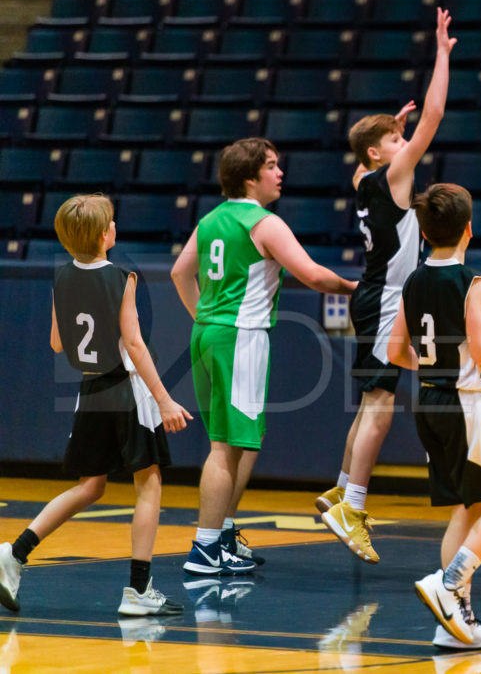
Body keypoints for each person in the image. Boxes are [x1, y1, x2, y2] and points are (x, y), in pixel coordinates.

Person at [171, 138, 357, 576]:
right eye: (272, 166)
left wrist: (204, 315)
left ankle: (224, 533)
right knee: (224, 446)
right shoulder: (265, 223)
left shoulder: (211, 218)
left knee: (242, 439)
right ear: (250, 177)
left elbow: (181, 271)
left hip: (209, 332)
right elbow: (312, 274)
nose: (280, 173)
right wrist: (356, 288)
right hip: (241, 336)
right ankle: (205, 547)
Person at [0, 194, 192, 615]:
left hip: (90, 388)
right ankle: (138, 592)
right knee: (149, 482)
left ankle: (14, 553)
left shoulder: (61, 277)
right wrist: (165, 400)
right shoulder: (122, 277)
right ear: (106, 234)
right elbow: (135, 345)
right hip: (126, 387)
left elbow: (55, 342)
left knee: (91, 485)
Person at [316, 7, 457, 565]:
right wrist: (442, 54)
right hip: (386, 299)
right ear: (379, 155)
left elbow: (370, 152)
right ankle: (353, 504)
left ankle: (340, 490)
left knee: (371, 402)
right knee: (379, 404)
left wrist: (387, 128)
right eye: (398, 140)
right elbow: (438, 113)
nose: (408, 145)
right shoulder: (393, 177)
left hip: (374, 296)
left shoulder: (363, 178)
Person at [387, 183, 481, 648]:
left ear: (424, 235)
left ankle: (454, 625)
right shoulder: (473, 282)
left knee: (466, 510)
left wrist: (434, 366)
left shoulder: (413, 280)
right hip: (467, 404)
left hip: (428, 400)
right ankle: (447, 584)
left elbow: (394, 350)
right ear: (469, 229)